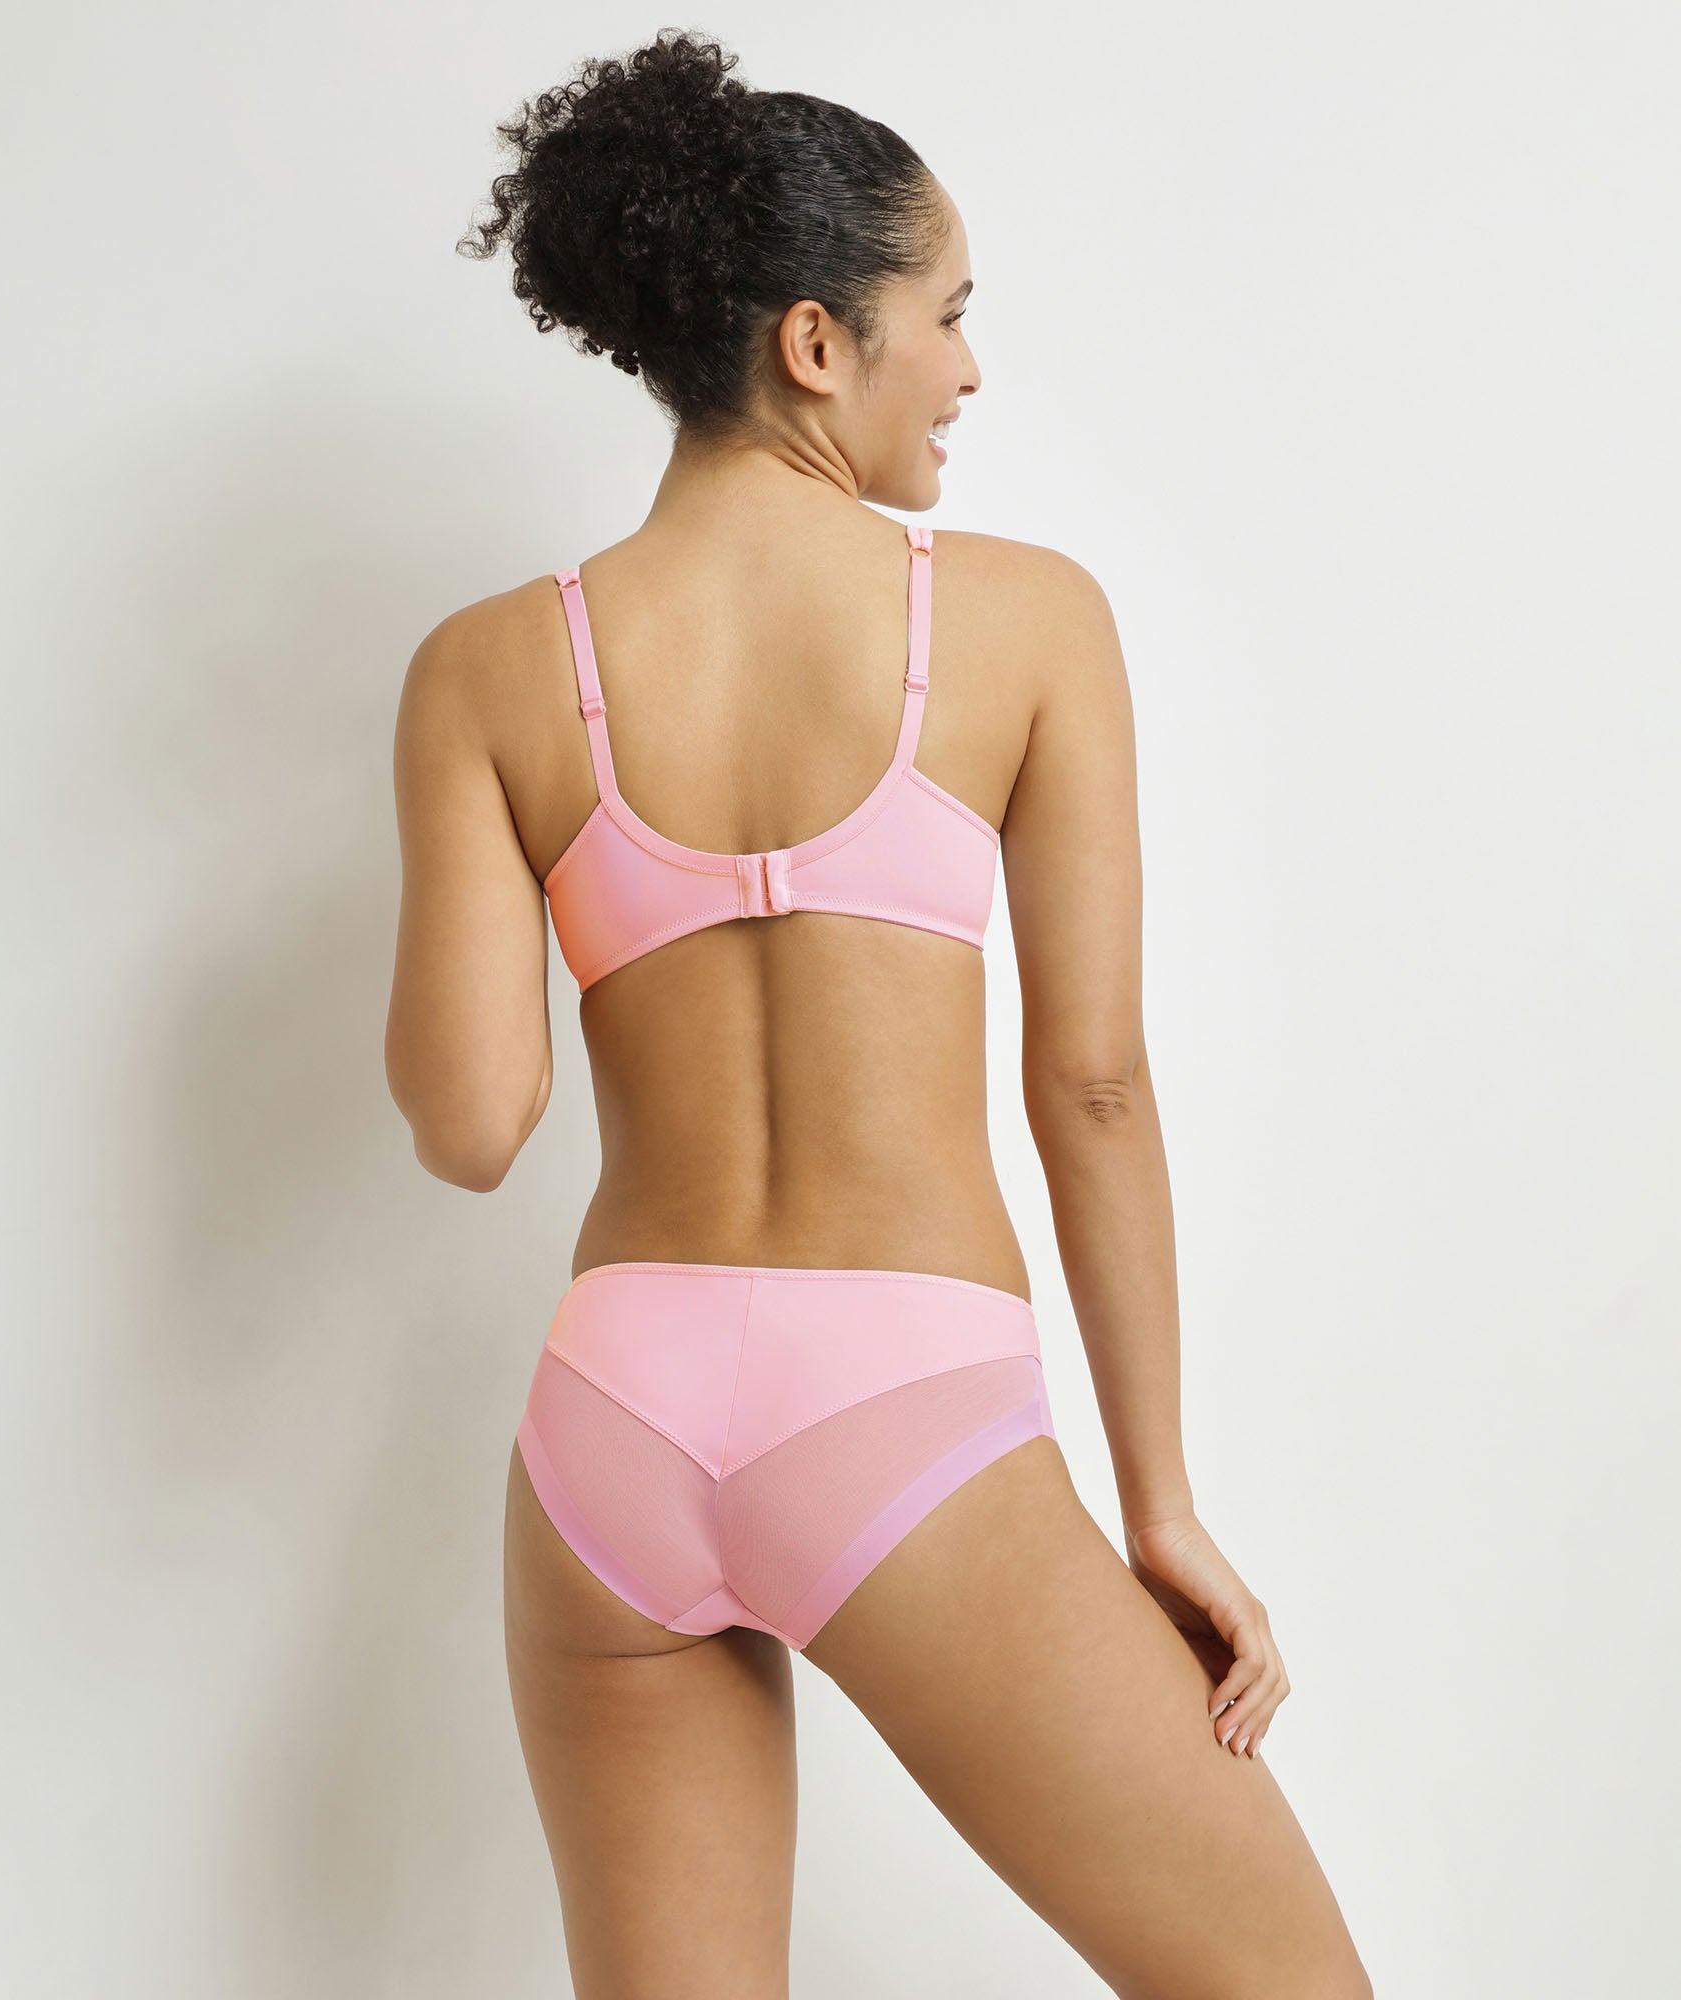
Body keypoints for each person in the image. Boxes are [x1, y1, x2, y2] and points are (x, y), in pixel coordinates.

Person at [385, 31, 1371, 2000]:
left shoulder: (486, 670)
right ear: (819, 345)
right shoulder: (1022, 616)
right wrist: (1158, 1505)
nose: (973, 370)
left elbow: (471, 1125)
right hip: (902, 1409)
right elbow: (1093, 1087)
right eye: (953, 314)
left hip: (614, 1424)